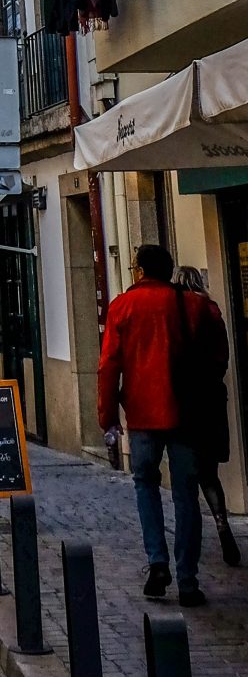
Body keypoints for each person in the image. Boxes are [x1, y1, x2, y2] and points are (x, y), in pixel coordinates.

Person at [98, 243, 229, 605]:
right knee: (186, 493)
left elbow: (108, 366)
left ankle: (157, 561)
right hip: (186, 414)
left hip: (142, 414)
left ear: (140, 270)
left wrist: (107, 416)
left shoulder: (123, 306)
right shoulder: (193, 305)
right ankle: (187, 579)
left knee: (146, 484)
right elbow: (218, 355)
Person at [175, 265, 241, 566]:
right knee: (209, 472)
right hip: (212, 396)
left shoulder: (176, 312)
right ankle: (221, 522)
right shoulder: (212, 310)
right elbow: (222, 357)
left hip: (185, 400)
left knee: (186, 476)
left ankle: (190, 541)